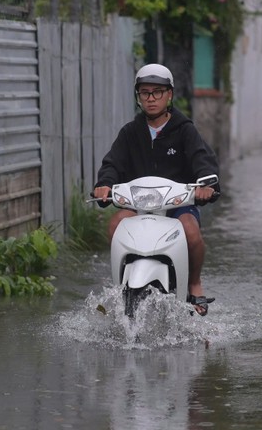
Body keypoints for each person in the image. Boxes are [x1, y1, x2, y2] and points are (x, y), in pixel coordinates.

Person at [92, 63, 221, 316]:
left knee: (192, 233)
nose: (151, 98)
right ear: (138, 96)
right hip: (139, 205)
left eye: (157, 92)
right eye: (145, 92)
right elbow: (112, 163)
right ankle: (119, 284)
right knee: (115, 224)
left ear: (169, 95)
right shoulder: (130, 132)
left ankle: (194, 283)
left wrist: (207, 184)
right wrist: (104, 185)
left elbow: (203, 160)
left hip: (177, 204)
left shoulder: (185, 130)